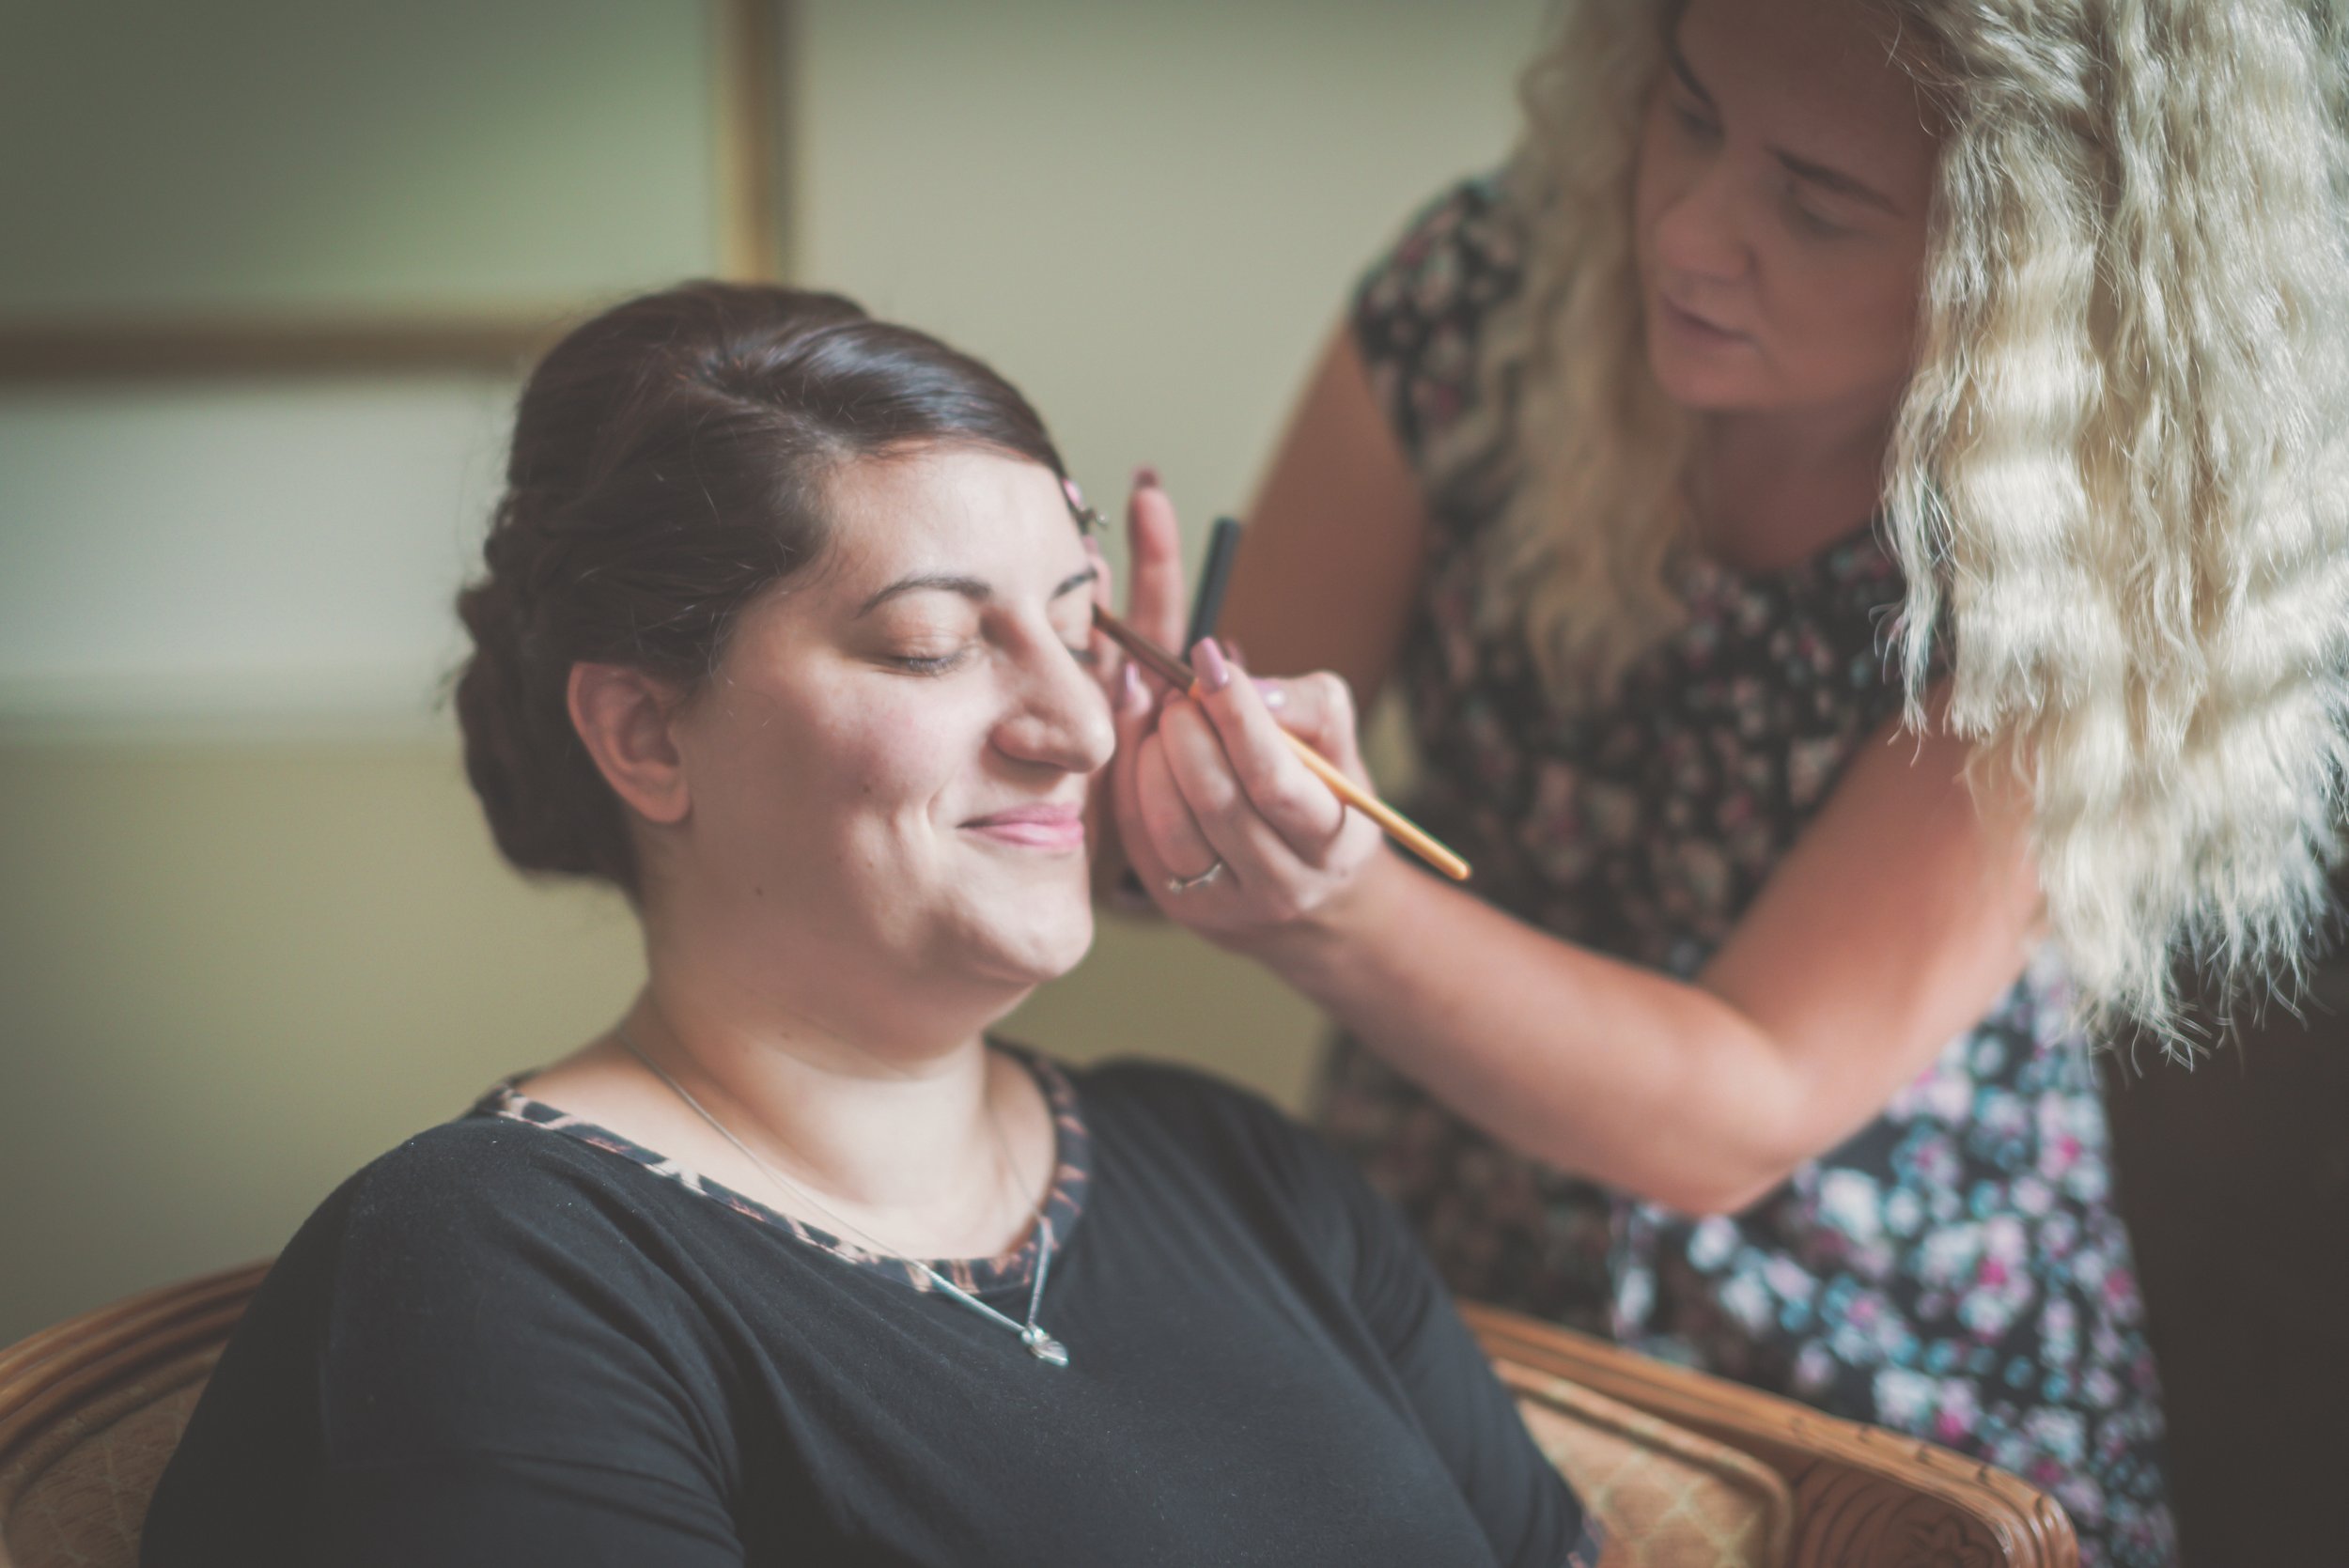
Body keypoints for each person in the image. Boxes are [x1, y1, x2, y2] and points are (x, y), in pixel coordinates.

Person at [1099, 2, 2349, 1564]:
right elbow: (1189, 806)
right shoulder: (1484, 297)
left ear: (2028, 261)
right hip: (1439, 1239)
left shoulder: (2087, 548)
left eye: (1816, 202)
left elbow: (1744, 1098)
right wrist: (1113, 781)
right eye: (1687, 117)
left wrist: (1326, 913)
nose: (1688, 230)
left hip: (1873, 1354)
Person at [138, 284, 1598, 1567]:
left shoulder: (1245, 1169)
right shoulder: (498, 1261)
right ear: (647, 732)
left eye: (1084, 626)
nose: (1080, 722)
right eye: (934, 644)